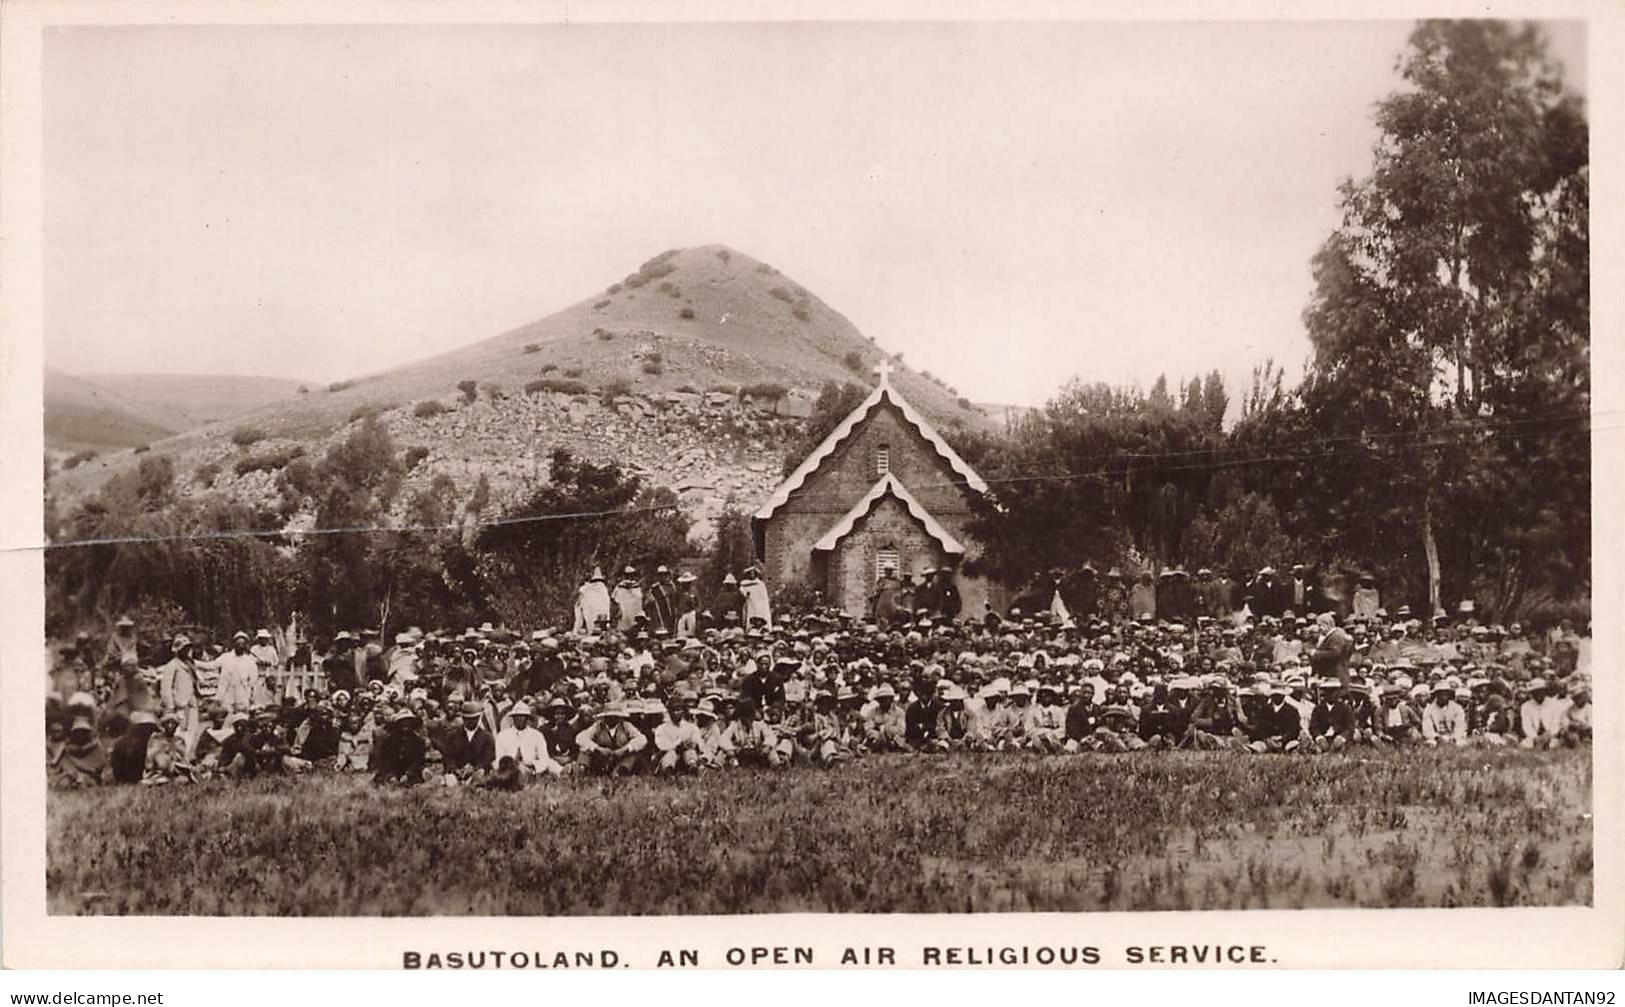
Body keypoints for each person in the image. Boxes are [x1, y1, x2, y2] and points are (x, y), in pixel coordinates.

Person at [576, 702, 648, 775]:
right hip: (602, 758)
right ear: (605, 717)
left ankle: (620, 771)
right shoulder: (599, 726)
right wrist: (598, 749)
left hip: (621, 758)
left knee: (634, 753)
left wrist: (625, 749)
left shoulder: (626, 726)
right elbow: (581, 737)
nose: (612, 719)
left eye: (615, 716)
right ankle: (583, 770)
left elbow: (642, 739)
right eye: (609, 716)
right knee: (585, 750)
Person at [494, 701, 561, 778]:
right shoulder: (502, 736)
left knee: (551, 764)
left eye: (522, 716)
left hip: (531, 768)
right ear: (513, 718)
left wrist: (532, 766)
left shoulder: (536, 735)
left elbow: (544, 758)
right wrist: (512, 762)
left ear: (527, 718)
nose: (519, 719)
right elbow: (499, 759)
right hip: (508, 769)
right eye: (517, 716)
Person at [720, 701, 787, 768]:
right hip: (741, 753)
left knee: (772, 753)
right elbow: (723, 738)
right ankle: (720, 765)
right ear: (741, 716)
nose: (749, 720)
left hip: (757, 752)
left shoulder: (759, 724)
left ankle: (776, 766)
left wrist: (767, 746)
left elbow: (771, 736)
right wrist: (729, 749)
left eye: (750, 716)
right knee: (723, 754)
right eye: (746, 717)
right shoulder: (734, 725)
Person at [207, 632, 261, 713]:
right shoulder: (226, 657)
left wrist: (251, 695)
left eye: (243, 643)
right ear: (234, 644)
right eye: (238, 643)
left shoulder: (250, 661)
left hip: (242, 692)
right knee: (227, 715)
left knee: (241, 716)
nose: (241, 646)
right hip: (227, 692)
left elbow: (253, 680)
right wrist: (193, 662)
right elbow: (211, 666)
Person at [373, 708, 428, 785]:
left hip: (410, 771)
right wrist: (391, 775)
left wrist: (408, 774)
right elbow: (385, 760)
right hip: (393, 770)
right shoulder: (389, 740)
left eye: (408, 722)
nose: (405, 725)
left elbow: (418, 760)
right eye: (402, 722)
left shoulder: (418, 741)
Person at [1309, 612, 1354, 689]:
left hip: (1336, 675)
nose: (1319, 628)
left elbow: (1335, 653)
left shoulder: (1336, 636)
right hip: (1331, 675)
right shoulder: (1332, 635)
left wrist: (1316, 653)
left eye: (1320, 625)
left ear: (1327, 624)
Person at [573, 567, 612, 634]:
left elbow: (578, 611)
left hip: (591, 627)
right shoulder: (604, 591)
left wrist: (576, 630)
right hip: (604, 627)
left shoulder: (585, 590)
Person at [611, 567, 644, 632]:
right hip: (625, 616)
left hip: (633, 616)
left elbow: (613, 599)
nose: (630, 577)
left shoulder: (636, 587)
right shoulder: (620, 587)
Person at [740, 565, 773, 630]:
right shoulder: (744, 584)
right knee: (750, 618)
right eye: (750, 573)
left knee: (760, 619)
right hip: (750, 604)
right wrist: (746, 594)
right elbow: (743, 593)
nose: (752, 575)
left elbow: (764, 597)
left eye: (753, 573)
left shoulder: (760, 584)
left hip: (760, 607)